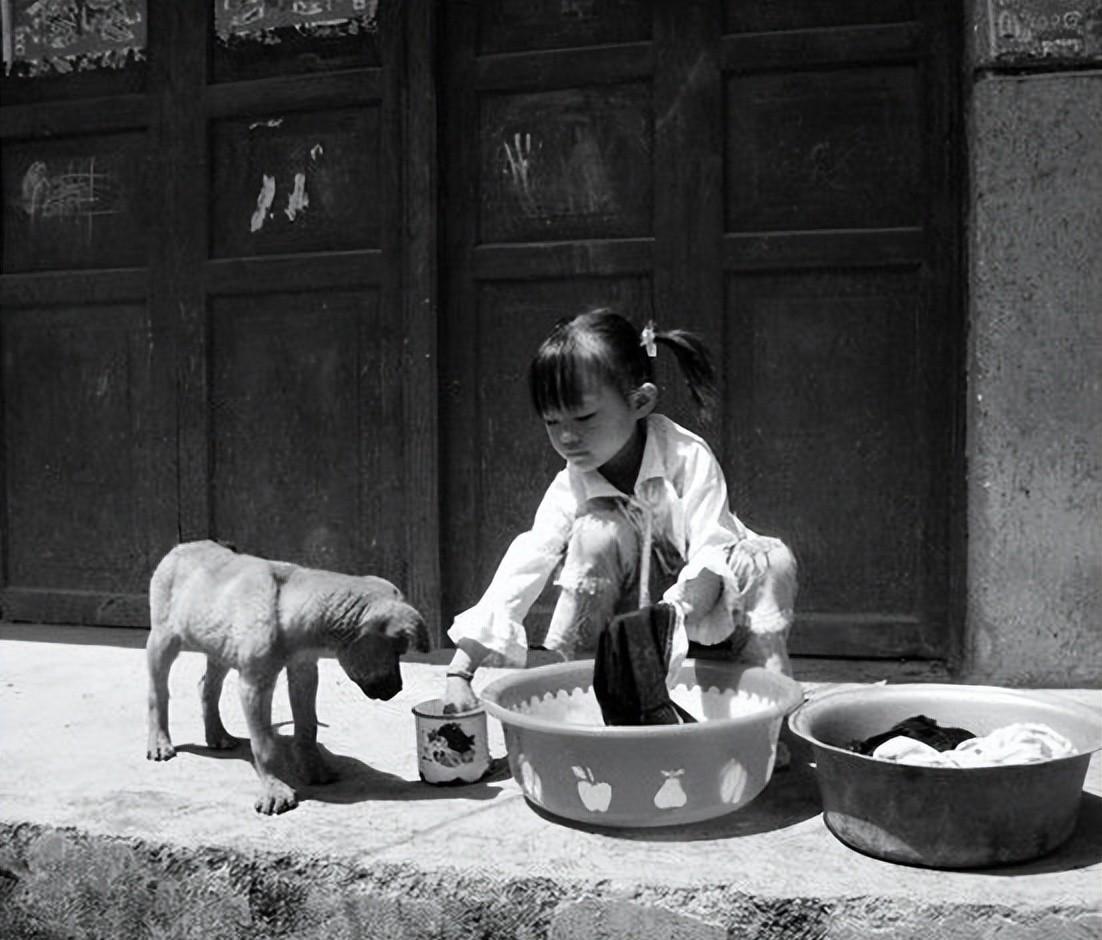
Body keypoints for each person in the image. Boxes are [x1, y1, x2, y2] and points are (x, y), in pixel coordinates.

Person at [442, 309, 797, 714]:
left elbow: (712, 553)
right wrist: (460, 672)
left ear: (640, 401)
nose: (567, 437)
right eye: (551, 421)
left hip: (709, 629)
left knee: (771, 558)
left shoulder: (687, 456)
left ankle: (767, 720)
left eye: (585, 417)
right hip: (627, 648)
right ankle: (585, 699)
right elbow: (527, 560)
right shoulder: (573, 482)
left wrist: (668, 624)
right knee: (596, 532)